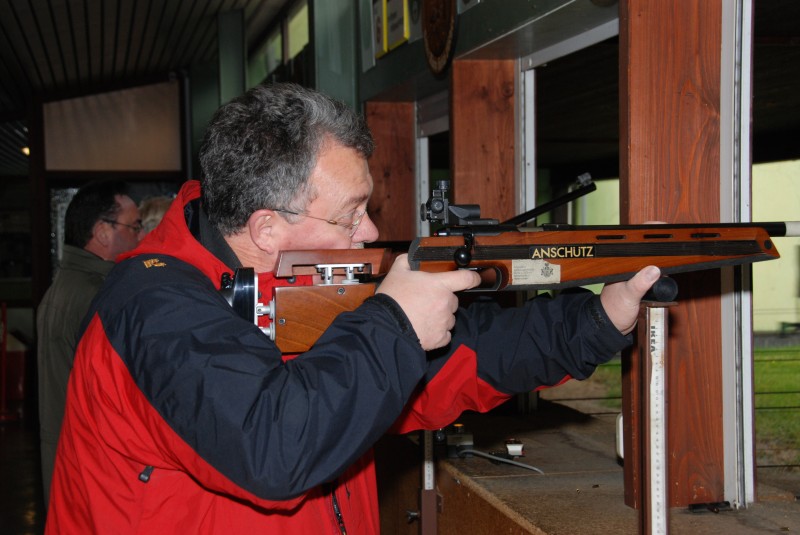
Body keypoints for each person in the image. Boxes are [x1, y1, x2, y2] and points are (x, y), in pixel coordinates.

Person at [46, 83, 659, 534]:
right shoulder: (151, 306)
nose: (370, 232)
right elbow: (275, 448)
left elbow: (459, 359)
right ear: (266, 227)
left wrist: (597, 319)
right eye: (350, 214)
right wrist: (394, 323)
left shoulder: (292, 286)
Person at [36, 180, 143, 506]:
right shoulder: (98, 295)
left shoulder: (66, 285)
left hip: (67, 461)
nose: (141, 236)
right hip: (93, 470)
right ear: (103, 232)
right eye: (135, 226)